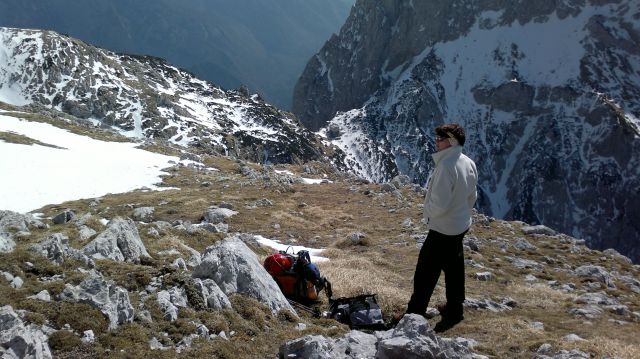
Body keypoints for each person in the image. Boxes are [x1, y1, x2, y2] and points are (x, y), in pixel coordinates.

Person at [400, 123, 478, 332]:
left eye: (440, 139)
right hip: (460, 226)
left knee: (425, 271)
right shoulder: (468, 162)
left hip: (442, 229)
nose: (436, 142)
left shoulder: (446, 166)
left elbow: (439, 204)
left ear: (451, 141)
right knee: (454, 268)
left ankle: (414, 312)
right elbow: (472, 196)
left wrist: (428, 214)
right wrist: (460, 213)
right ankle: (454, 308)